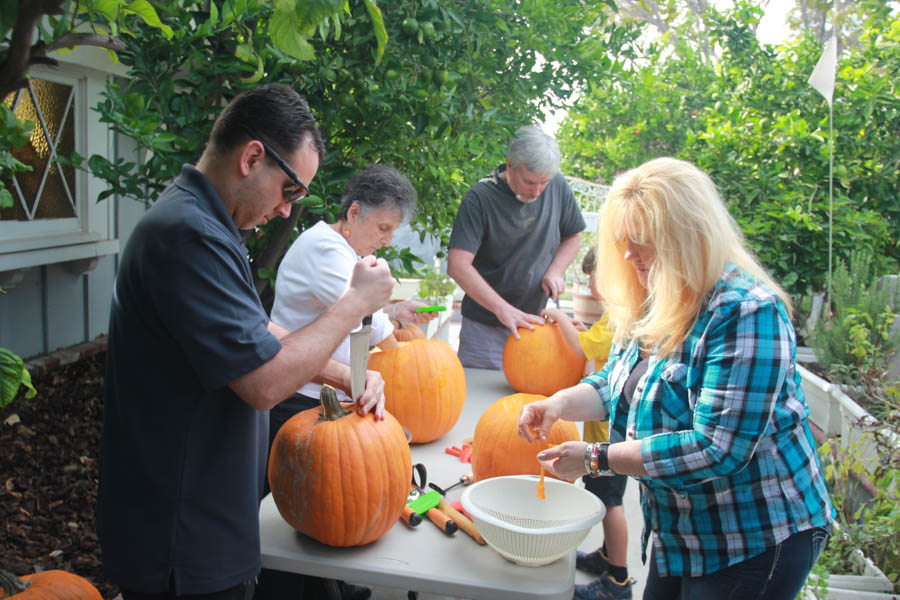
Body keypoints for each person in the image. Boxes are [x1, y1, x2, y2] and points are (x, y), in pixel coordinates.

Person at [98, 83, 395, 600]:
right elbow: (262, 384)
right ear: (253, 158)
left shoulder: (205, 224)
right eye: (291, 190)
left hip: (201, 525)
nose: (287, 210)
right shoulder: (189, 235)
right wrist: (355, 302)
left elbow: (257, 334)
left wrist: (347, 375)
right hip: (181, 536)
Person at [518, 157, 834, 600]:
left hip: (754, 533)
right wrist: (561, 403)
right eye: (622, 241)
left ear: (687, 236)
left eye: (642, 241)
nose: (628, 255)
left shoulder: (746, 312)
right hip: (681, 530)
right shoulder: (654, 296)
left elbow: (717, 447)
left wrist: (596, 458)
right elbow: (615, 382)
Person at [269, 163, 436, 443]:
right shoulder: (326, 250)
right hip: (303, 400)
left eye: (393, 231)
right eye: (384, 228)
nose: (388, 240)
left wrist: (397, 309)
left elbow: (348, 309)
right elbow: (366, 322)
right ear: (354, 212)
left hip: (328, 394)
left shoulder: (343, 251)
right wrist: (409, 364)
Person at [447, 124, 585, 369]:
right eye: (530, 182)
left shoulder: (557, 186)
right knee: (480, 402)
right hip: (485, 330)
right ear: (510, 166)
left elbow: (573, 237)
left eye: (544, 182)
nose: (538, 191)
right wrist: (503, 310)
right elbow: (458, 265)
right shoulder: (479, 199)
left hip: (537, 328)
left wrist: (554, 271)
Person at [541, 247, 633, 599]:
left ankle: (619, 580)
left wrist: (559, 317)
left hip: (612, 442)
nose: (593, 289)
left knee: (610, 503)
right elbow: (596, 344)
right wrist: (584, 328)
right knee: (603, 497)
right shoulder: (616, 317)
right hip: (604, 434)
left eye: (595, 280)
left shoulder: (622, 318)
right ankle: (608, 556)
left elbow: (582, 348)